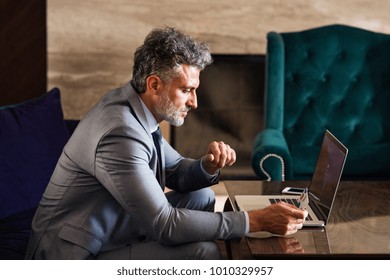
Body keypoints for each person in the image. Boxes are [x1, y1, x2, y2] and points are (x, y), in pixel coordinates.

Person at [25, 26, 307, 260]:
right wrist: (254, 221)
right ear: (155, 84)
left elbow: (175, 171)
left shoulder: (136, 106)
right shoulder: (120, 131)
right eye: (186, 90)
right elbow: (165, 223)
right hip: (72, 255)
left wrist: (207, 166)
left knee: (203, 196)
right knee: (202, 252)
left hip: (110, 225)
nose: (194, 102)